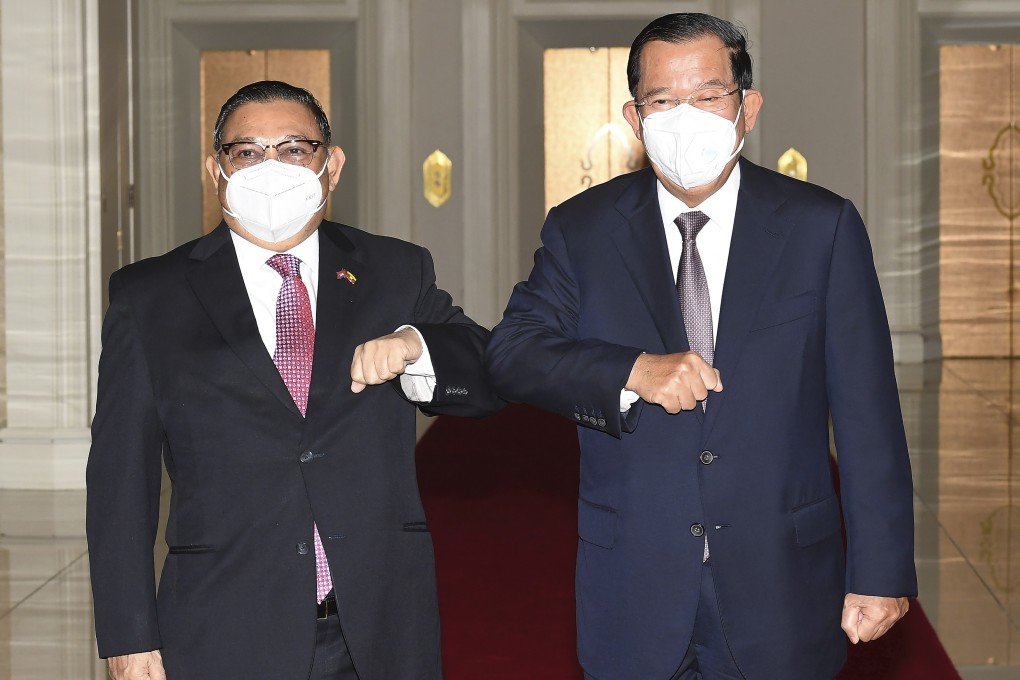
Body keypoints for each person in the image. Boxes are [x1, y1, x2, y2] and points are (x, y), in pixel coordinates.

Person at [486, 13, 916, 680]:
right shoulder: (583, 230)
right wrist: (630, 371)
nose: (684, 116)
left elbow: (868, 414)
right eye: (663, 100)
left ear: (748, 106)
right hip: (634, 581)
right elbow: (512, 353)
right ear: (635, 117)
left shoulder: (819, 228)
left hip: (782, 582)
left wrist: (882, 571)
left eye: (709, 94)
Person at [87, 80, 502, 680]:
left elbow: (487, 370)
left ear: (330, 166)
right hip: (223, 621)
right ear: (216, 170)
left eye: (293, 149)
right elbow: (119, 481)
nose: (270, 168)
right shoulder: (148, 295)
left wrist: (416, 345)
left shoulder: (393, 270)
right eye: (247, 153)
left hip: (379, 622)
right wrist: (128, 637)